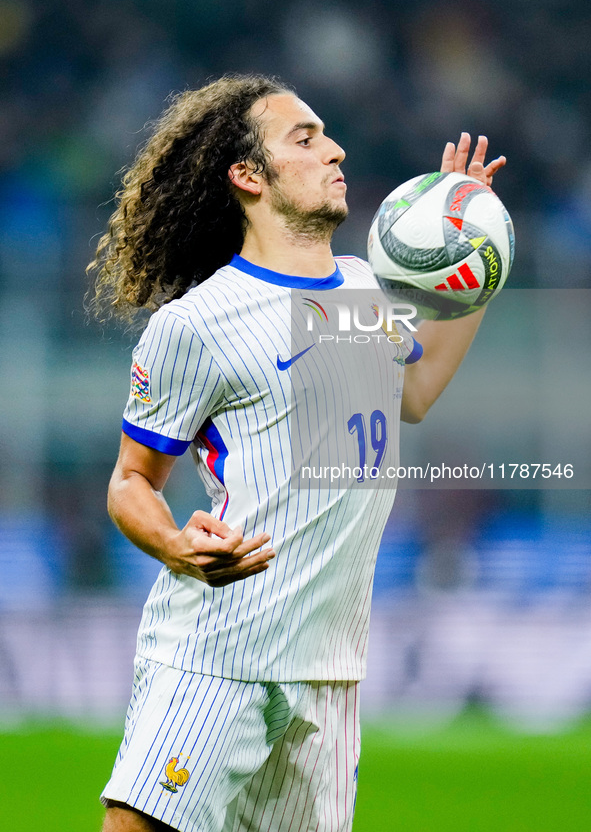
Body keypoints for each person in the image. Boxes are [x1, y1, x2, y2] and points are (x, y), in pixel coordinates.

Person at [88, 74, 505, 832]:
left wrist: (470, 254)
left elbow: (414, 392)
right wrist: (176, 545)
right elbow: (129, 482)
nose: (334, 149)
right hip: (222, 650)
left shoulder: (358, 294)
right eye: (304, 139)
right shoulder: (199, 323)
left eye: (327, 135)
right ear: (249, 176)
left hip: (328, 670)